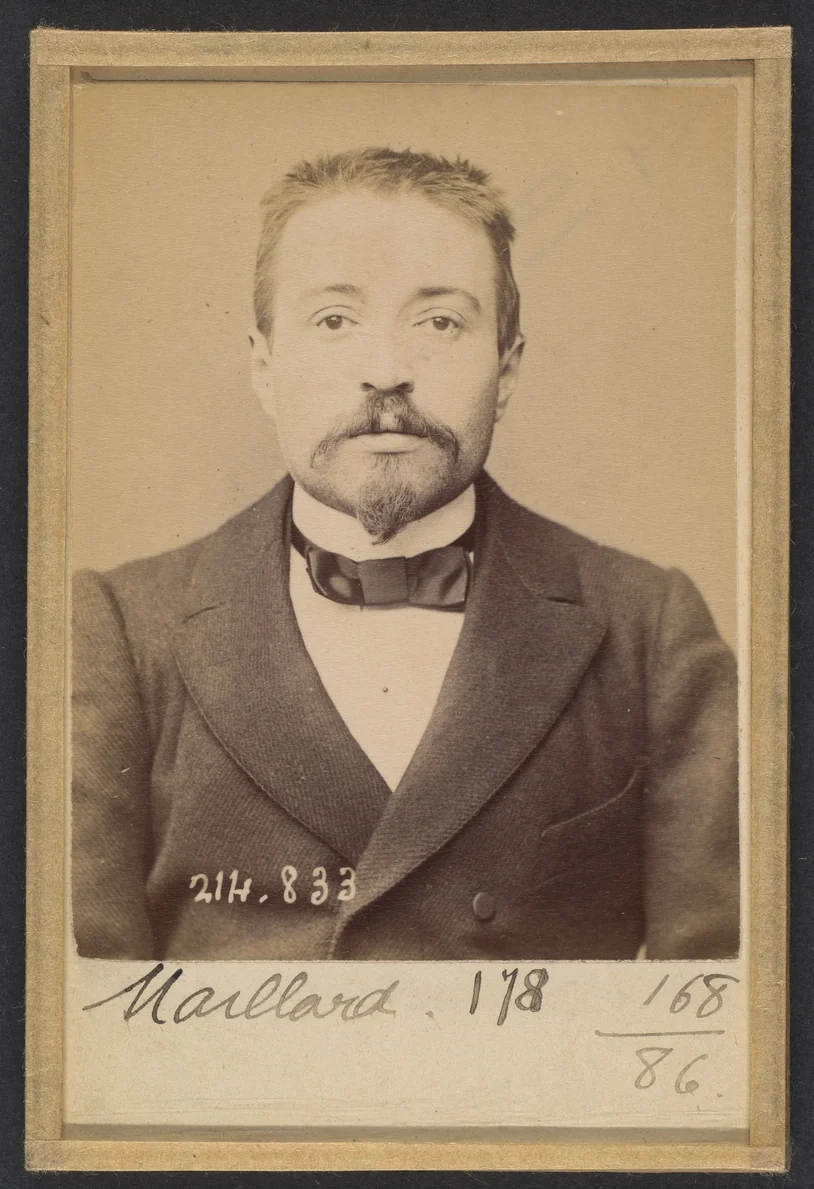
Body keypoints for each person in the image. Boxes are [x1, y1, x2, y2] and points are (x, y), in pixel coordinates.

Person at [71, 146, 739, 962]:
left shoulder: (648, 629)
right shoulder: (118, 632)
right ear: (263, 367)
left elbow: (724, 1007)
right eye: (334, 320)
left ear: (507, 369)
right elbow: (74, 1013)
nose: (386, 370)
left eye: (440, 323)